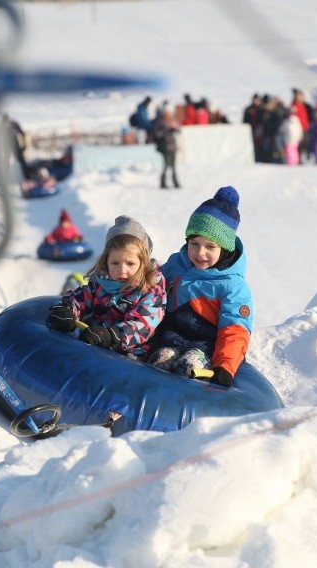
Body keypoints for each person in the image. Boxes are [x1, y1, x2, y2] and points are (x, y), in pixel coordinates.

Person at [148, 186, 253, 388]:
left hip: (206, 346)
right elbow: (151, 287)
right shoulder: (176, 264)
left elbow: (235, 329)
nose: (200, 253)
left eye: (210, 246)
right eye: (194, 243)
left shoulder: (233, 286)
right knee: (159, 360)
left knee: (188, 368)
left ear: (225, 249)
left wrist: (225, 366)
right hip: (170, 338)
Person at [46, 216, 166, 358]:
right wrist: (67, 309)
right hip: (95, 339)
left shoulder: (151, 289)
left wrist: (112, 335)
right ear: (106, 261)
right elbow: (81, 297)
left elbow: (143, 324)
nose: (122, 270)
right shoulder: (101, 282)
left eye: (130, 263)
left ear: (143, 263)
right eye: (115, 263)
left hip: (133, 352)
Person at [151, 107, 181, 189]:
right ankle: (163, 183)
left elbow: (179, 132)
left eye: (170, 114)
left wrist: (175, 128)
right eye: (167, 114)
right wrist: (168, 129)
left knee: (174, 166)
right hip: (165, 148)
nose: (169, 115)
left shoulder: (172, 121)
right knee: (166, 166)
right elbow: (157, 134)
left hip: (173, 147)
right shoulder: (159, 122)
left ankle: (175, 182)